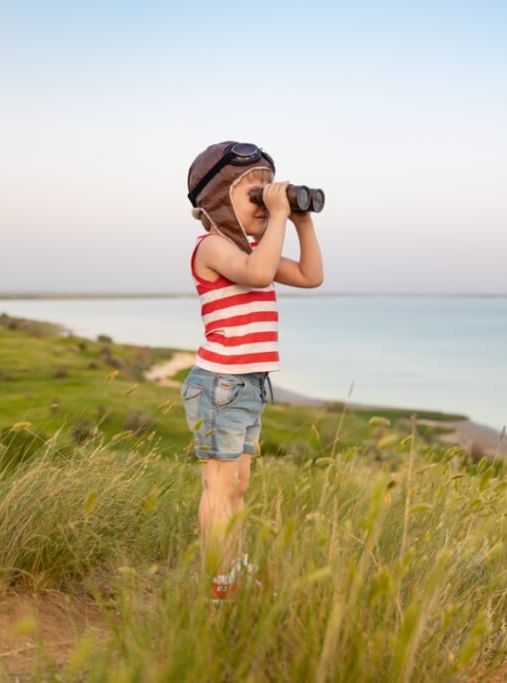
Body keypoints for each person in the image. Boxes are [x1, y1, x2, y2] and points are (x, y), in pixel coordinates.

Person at [181, 141, 324, 599]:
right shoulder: (212, 248)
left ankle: (231, 565)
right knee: (219, 487)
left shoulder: (256, 250)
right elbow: (259, 274)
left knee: (238, 485)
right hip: (219, 384)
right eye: (254, 194)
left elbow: (310, 275)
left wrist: (300, 221)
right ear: (218, 202)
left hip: (249, 385)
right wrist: (280, 215)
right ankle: (216, 580)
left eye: (269, 190)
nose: (266, 200)